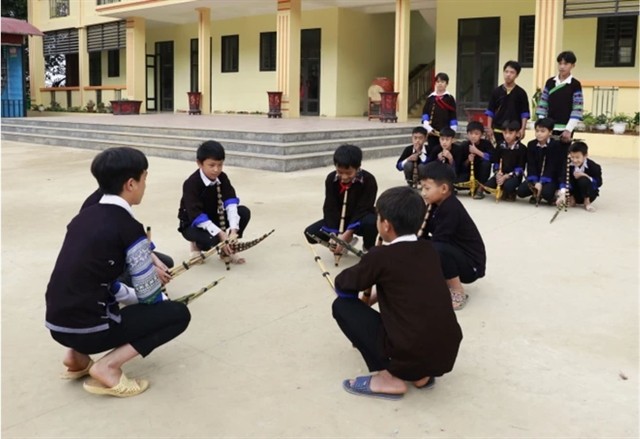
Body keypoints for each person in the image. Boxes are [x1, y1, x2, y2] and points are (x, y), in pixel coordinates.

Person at [45, 147, 191, 398]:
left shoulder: (84, 216)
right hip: (91, 331)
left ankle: (76, 357)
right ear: (131, 183)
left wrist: (130, 293)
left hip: (57, 326)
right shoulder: (128, 227)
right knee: (177, 314)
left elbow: (94, 277)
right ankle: (108, 367)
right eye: (145, 178)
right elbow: (149, 297)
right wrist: (163, 301)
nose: (146, 184)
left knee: (96, 290)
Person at [333, 186, 463, 400]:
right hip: (446, 353)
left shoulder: (380, 256)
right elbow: (409, 291)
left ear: (385, 225)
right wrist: (378, 295)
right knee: (415, 321)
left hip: (406, 352)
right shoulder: (429, 249)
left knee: (342, 306)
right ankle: (421, 376)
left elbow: (344, 286)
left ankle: (388, 379)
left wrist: (361, 305)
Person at [420, 162, 486, 310]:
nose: (423, 192)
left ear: (444, 189)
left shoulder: (451, 208)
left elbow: (439, 242)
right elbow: (423, 235)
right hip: (454, 252)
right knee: (425, 243)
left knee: (437, 249)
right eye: (422, 187)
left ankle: (457, 291)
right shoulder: (434, 204)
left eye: (427, 188)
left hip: (471, 265)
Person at [178, 140, 251, 265]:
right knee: (212, 239)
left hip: (214, 218)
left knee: (243, 212)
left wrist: (233, 231)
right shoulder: (191, 183)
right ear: (199, 163)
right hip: (193, 223)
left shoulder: (222, 178)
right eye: (211, 165)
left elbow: (231, 203)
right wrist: (220, 234)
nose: (216, 170)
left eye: (220, 165)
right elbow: (196, 215)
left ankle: (227, 249)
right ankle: (195, 246)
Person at [82, 188, 173, 285]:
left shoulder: (118, 199)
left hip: (123, 254)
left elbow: (132, 239)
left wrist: (155, 261)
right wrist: (148, 269)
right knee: (145, 275)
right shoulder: (99, 206)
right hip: (107, 263)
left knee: (166, 262)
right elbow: (117, 249)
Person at [304, 144, 378, 254]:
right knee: (310, 233)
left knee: (372, 222)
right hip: (339, 219)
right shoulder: (331, 179)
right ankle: (343, 244)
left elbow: (364, 208)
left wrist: (348, 232)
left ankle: (368, 248)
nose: (344, 177)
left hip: (360, 218)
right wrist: (333, 235)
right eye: (340, 172)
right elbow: (330, 207)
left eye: (349, 173)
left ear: (358, 167)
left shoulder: (369, 180)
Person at [535, 51, 583, 151]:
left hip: (565, 128)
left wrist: (568, 130)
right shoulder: (550, 82)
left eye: (565, 64)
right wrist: (542, 125)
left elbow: (577, 109)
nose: (562, 67)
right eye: (560, 63)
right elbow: (543, 104)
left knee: (562, 158)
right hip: (548, 128)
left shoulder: (575, 84)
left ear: (573, 65)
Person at [516, 117, 566, 205]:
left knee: (547, 193)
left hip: (550, 178)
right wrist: (536, 182)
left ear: (550, 132)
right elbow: (531, 165)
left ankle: (549, 194)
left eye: (542, 131)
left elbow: (552, 167)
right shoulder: (531, 144)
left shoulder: (556, 146)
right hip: (535, 177)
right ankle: (536, 193)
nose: (539, 134)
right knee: (521, 192)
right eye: (537, 131)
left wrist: (542, 182)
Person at [485, 60, 530, 145]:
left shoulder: (521, 93)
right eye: (506, 72)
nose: (508, 75)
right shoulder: (496, 91)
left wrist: (522, 129)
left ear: (517, 75)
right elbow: (490, 111)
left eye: (512, 72)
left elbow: (524, 113)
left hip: (514, 131)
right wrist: (489, 128)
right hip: (498, 130)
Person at [482, 121, 527, 201]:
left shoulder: (521, 148)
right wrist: (497, 173)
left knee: (508, 185)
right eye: (505, 133)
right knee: (487, 187)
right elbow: (496, 162)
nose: (507, 136)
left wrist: (506, 176)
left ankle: (510, 192)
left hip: (513, 176)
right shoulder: (500, 145)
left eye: (510, 133)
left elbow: (520, 168)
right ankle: (503, 191)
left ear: (517, 134)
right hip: (501, 173)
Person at [455, 121, 495, 199]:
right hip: (468, 173)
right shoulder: (463, 146)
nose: (473, 136)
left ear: (481, 135)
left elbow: (493, 158)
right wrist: (468, 160)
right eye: (471, 133)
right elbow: (459, 165)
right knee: (457, 182)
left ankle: (480, 189)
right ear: (467, 134)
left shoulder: (486, 144)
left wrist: (478, 152)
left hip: (481, 173)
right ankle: (472, 187)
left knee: (486, 164)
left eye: (476, 134)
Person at [421, 72, 458, 155]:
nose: (439, 84)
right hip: (432, 132)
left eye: (442, 82)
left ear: (446, 84)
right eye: (437, 82)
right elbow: (425, 113)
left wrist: (452, 130)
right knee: (433, 153)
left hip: (445, 133)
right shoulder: (430, 98)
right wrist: (427, 126)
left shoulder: (450, 98)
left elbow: (453, 115)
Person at [562, 141, 603, 212]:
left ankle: (587, 202)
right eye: (572, 157)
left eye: (577, 157)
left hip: (589, 194)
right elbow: (562, 178)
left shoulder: (594, 166)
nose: (574, 160)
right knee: (566, 178)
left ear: (585, 155)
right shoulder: (567, 164)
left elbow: (599, 183)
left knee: (583, 180)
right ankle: (572, 200)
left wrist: (586, 176)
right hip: (572, 194)